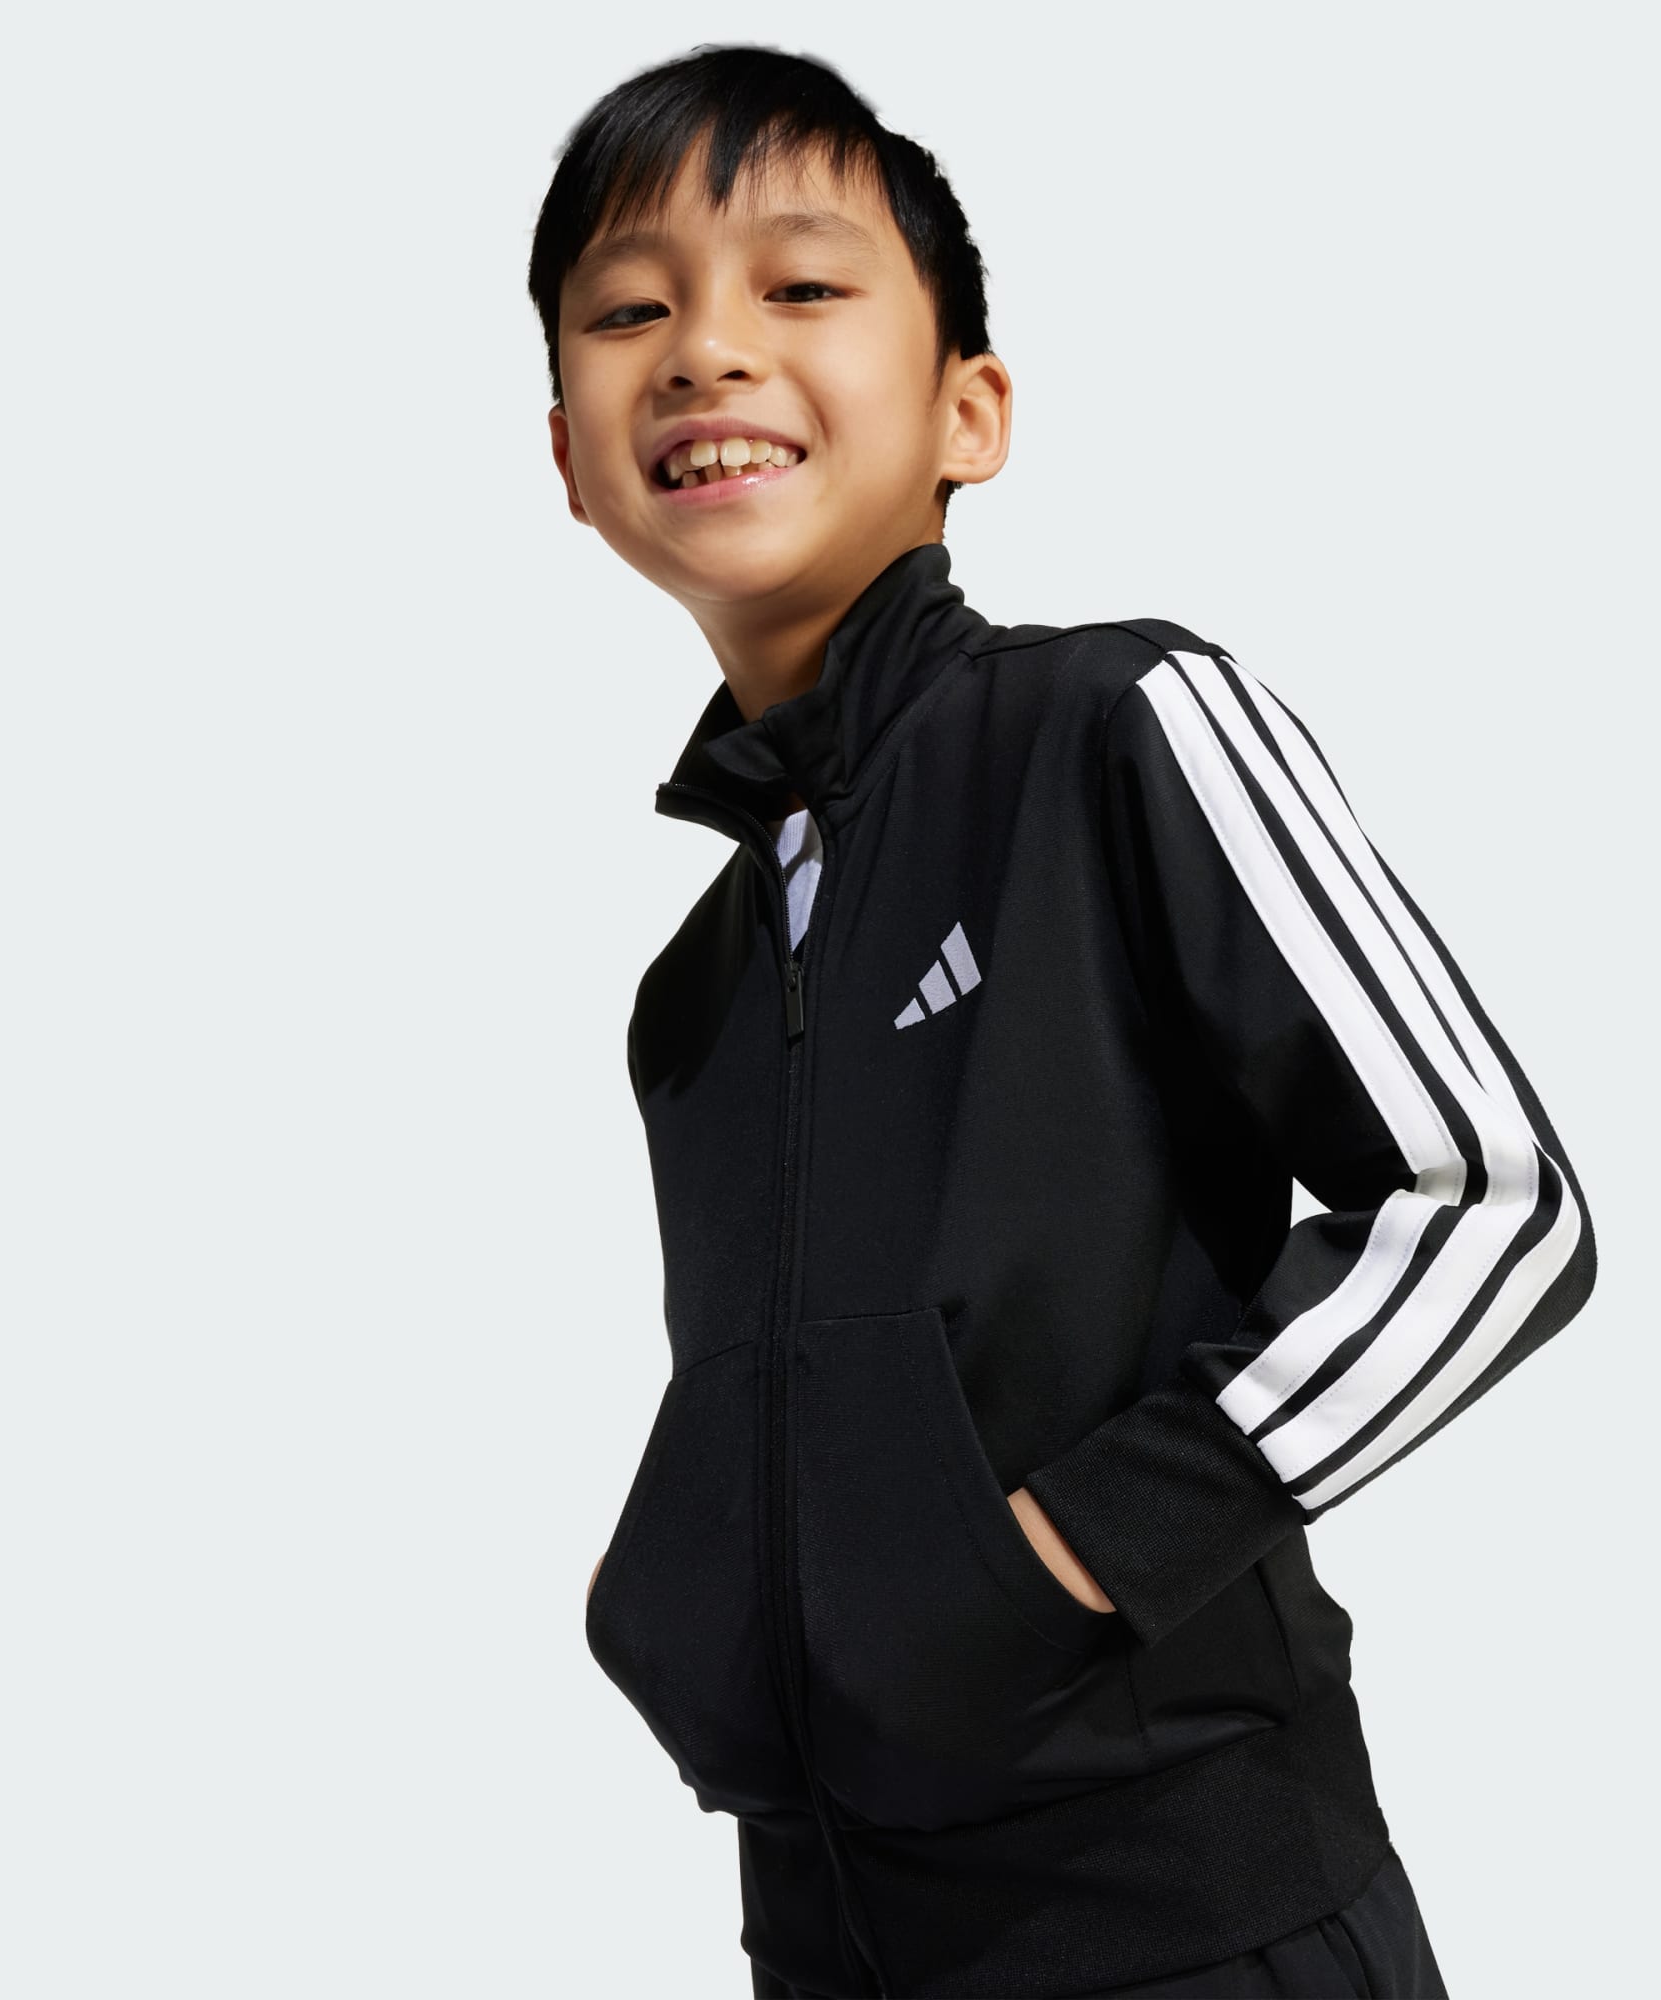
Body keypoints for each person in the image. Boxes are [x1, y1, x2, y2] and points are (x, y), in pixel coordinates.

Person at [532, 41, 1597, 2000]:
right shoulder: (696, 990)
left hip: (1187, 1927)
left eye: (799, 284)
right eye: (627, 313)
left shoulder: (1115, 729)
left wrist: (1089, 1541)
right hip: (829, 1942)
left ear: (971, 412)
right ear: (571, 461)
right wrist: (673, 1596)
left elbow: (1494, 1204)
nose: (706, 350)